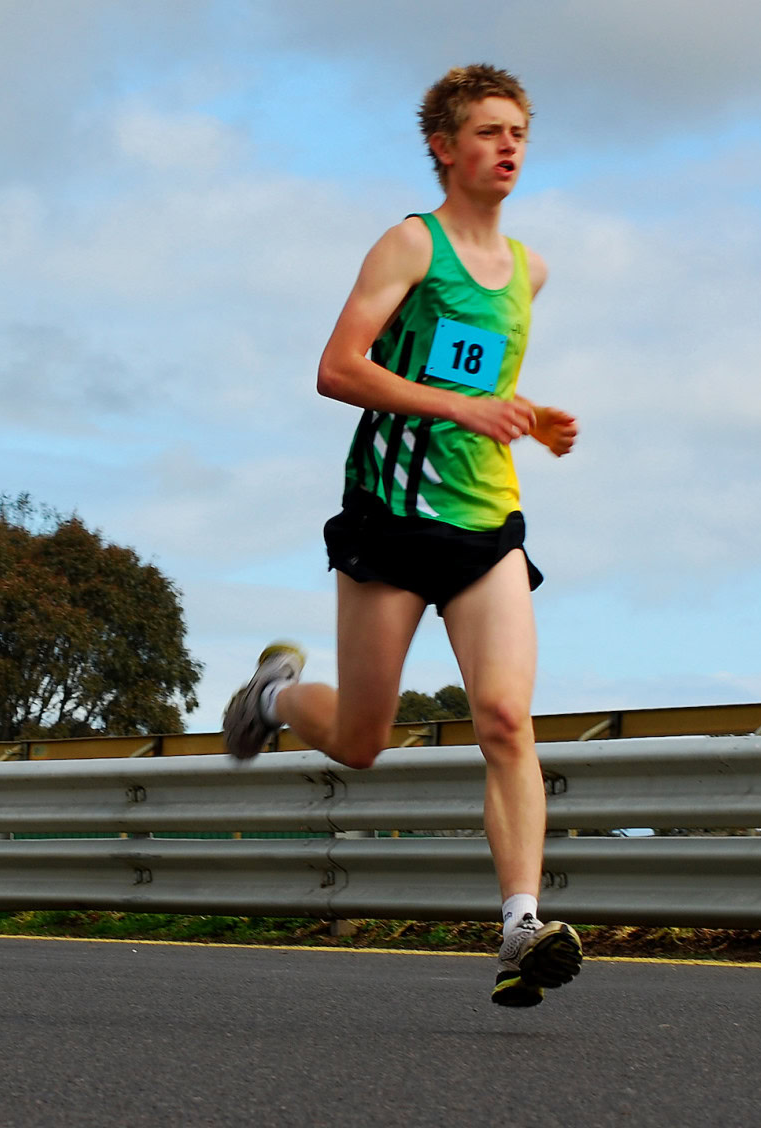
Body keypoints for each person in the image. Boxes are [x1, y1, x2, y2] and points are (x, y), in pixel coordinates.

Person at [223, 64, 583, 1008]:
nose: (509, 148)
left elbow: (478, 383)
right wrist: (464, 412)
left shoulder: (531, 272)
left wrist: (529, 418)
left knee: (506, 721)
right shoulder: (409, 246)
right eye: (490, 132)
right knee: (362, 740)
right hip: (391, 514)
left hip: (485, 525)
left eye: (520, 134)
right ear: (444, 147)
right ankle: (276, 696)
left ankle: (518, 924)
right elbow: (339, 369)